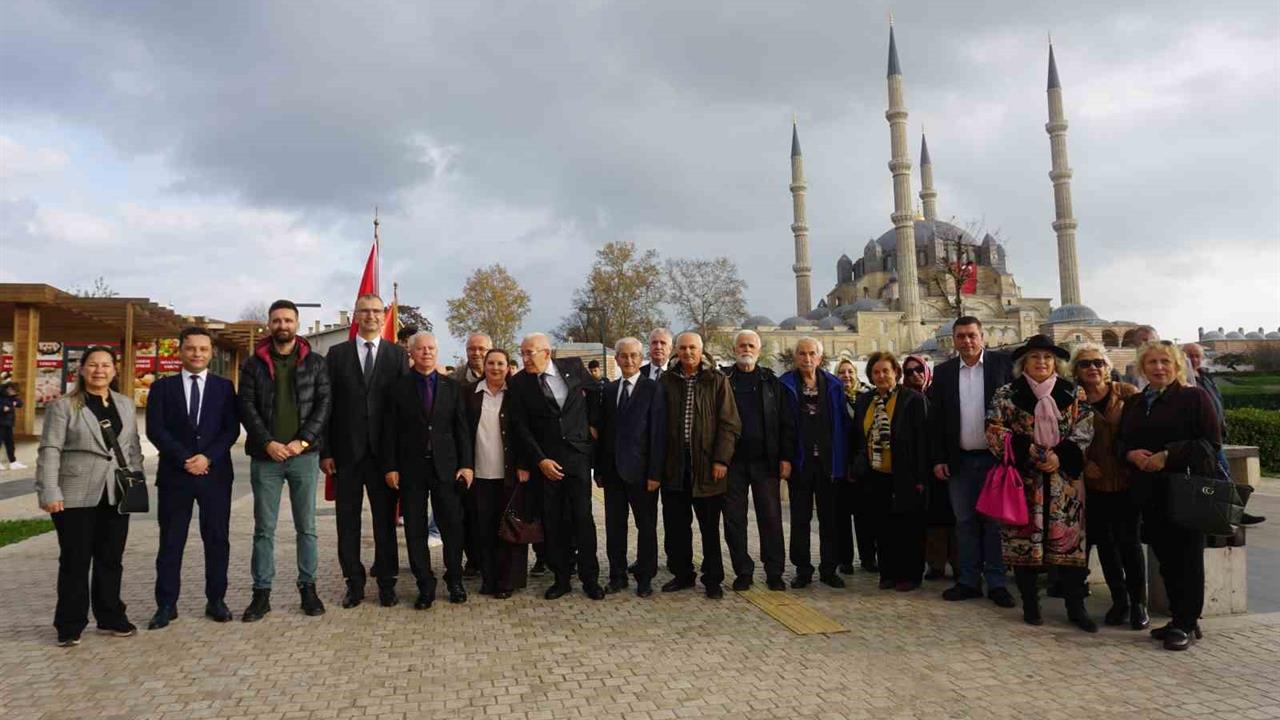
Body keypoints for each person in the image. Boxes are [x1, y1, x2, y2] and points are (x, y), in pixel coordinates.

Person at [986, 335, 1096, 632]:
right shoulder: (1007, 394)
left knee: (1071, 548)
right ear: (1025, 362)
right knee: (1025, 546)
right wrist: (1029, 450)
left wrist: (1060, 457)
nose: (1041, 362)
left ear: (1055, 362)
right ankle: (1031, 605)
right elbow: (994, 431)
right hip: (1025, 481)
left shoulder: (1073, 393)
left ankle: (1076, 607)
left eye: (1047, 358)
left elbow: (1084, 430)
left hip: (1065, 483)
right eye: (1035, 357)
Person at [36, 346, 143, 646]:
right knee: (75, 560)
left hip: (116, 492)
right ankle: (70, 624)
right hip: (73, 493)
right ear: (81, 370)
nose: (99, 370)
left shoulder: (124, 404)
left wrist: (136, 478)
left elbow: (132, 446)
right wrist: (49, 490)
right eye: (93, 365)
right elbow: (50, 450)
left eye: (106, 365)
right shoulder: (64, 406)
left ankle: (110, 616)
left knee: (111, 558)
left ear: (114, 370)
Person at [1119, 341, 1222, 651]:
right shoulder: (1136, 403)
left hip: (1185, 489)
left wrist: (1168, 455)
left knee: (1187, 558)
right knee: (1166, 559)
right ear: (1142, 367)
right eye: (1152, 362)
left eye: (1165, 361)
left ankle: (1186, 623)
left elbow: (1210, 445)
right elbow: (1122, 440)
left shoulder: (1194, 398)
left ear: (1177, 366)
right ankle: (1182, 617)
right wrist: (1131, 454)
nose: (1159, 367)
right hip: (1150, 491)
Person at [238, 299, 332, 622]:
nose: (283, 326)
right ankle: (261, 593)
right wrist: (268, 443)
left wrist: (301, 441)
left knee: (307, 528)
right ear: (269, 324)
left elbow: (323, 405)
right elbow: (246, 407)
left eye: (288, 320)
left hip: (303, 457)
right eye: (277, 320)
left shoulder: (315, 363)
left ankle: (308, 588)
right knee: (264, 529)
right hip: (266, 459)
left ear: (297, 324)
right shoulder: (253, 364)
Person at [145, 327, 241, 630]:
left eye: (203, 349)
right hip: (176, 475)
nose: (197, 354)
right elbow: (155, 430)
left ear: (211, 353)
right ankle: (166, 605)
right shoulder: (162, 388)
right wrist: (185, 458)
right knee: (171, 542)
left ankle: (216, 600)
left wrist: (207, 457)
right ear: (180, 351)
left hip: (214, 476)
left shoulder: (224, 388)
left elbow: (231, 430)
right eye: (191, 348)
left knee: (216, 540)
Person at [320, 294, 408, 609]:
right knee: (348, 522)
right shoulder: (336, 354)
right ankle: (354, 583)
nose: (370, 316)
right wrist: (325, 451)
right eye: (364, 311)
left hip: (384, 457)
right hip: (346, 456)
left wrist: (398, 457)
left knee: (385, 522)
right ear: (355, 316)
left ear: (383, 316)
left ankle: (386, 583)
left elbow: (402, 410)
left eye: (376, 311)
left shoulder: (397, 356)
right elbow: (326, 407)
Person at [507, 333, 605, 600]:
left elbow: (597, 393)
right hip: (546, 462)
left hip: (577, 457)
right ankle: (561, 578)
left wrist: (592, 427)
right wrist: (539, 460)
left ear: (547, 353)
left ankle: (590, 579)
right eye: (523, 353)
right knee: (553, 522)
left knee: (583, 519)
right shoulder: (519, 384)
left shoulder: (573, 367)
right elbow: (521, 428)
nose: (525, 358)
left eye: (530, 353)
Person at [381, 331, 474, 607]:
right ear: (411, 352)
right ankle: (425, 584)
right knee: (415, 530)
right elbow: (389, 432)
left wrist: (466, 465)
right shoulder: (397, 388)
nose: (427, 353)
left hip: (446, 469)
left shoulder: (451, 387)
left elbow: (462, 430)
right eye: (420, 349)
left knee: (452, 526)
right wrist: (390, 467)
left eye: (431, 348)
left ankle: (454, 579)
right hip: (410, 470)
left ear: (437, 350)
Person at [928, 316, 1016, 607]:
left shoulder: (1003, 366)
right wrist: (939, 458)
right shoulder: (943, 373)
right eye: (961, 336)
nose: (967, 341)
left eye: (972, 335)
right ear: (953, 340)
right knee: (964, 522)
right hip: (960, 461)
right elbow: (937, 420)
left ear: (982, 337)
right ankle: (968, 580)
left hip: (995, 460)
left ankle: (997, 582)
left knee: (993, 523)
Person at [655, 332, 741, 599]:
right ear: (676, 351)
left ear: (701, 350)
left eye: (692, 347)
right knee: (676, 528)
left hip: (707, 467)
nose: (687, 352)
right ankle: (683, 574)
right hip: (674, 467)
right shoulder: (666, 381)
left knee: (709, 529)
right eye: (682, 348)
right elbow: (657, 424)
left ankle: (713, 578)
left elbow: (730, 424)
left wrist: (721, 459)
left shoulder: (716, 380)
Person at [1070, 343, 1146, 629]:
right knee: (1106, 545)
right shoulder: (1073, 398)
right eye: (1086, 363)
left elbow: (1144, 430)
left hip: (1126, 481)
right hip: (1093, 484)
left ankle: (1139, 603)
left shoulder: (1126, 394)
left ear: (1107, 366)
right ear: (1076, 369)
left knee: (1130, 544)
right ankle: (1120, 600)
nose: (1093, 368)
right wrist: (1083, 461)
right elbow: (1064, 436)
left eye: (1098, 363)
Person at [850, 352, 930, 591]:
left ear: (896, 372)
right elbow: (858, 437)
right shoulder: (865, 401)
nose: (881, 376)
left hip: (905, 473)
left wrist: (921, 477)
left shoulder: (912, 400)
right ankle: (888, 573)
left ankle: (910, 575)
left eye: (886, 371)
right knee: (882, 526)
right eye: (876, 372)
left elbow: (923, 440)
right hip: (875, 473)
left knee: (908, 526)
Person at [720, 331, 792, 592]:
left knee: (771, 518)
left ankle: (774, 571)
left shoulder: (771, 383)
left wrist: (785, 457)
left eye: (751, 345)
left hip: (765, 462)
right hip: (733, 463)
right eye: (742, 345)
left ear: (759, 350)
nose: (746, 349)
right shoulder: (723, 380)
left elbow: (784, 424)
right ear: (734, 349)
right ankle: (743, 571)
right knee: (734, 519)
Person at [592, 337, 664, 597]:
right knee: (614, 527)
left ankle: (645, 577)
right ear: (617, 359)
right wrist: (598, 470)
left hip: (643, 473)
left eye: (634, 355)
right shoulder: (609, 390)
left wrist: (656, 473)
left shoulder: (652, 389)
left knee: (646, 527)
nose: (630, 360)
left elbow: (657, 433)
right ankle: (617, 575)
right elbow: (603, 433)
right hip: (612, 473)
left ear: (641, 357)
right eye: (624, 356)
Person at [780, 337, 849, 589]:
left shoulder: (832, 385)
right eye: (802, 354)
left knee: (829, 518)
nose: (807, 359)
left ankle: (829, 568)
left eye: (811, 354)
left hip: (828, 462)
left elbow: (842, 424)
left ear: (820, 358)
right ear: (795, 357)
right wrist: (784, 458)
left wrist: (842, 461)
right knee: (799, 518)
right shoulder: (785, 384)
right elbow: (782, 426)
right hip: (800, 462)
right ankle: (803, 569)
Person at [464, 348, 530, 599]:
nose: (495, 368)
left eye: (500, 363)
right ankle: (489, 578)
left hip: (510, 475)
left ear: (508, 367)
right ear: (484, 366)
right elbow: (462, 432)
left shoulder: (516, 395)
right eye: (491, 363)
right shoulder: (469, 394)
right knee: (484, 530)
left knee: (510, 530)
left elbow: (525, 432)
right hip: (479, 475)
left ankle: (507, 581)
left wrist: (524, 464)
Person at [834, 358, 871, 575]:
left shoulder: (866, 398)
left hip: (862, 465)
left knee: (865, 515)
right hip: (840, 464)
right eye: (841, 372)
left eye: (849, 372)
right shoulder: (833, 399)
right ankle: (844, 559)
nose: (846, 376)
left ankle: (868, 557)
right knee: (842, 516)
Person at [1183, 342, 1230, 480]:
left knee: (1221, 476)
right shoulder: (1182, 379)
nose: (1194, 360)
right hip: (1200, 439)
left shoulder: (1206, 377)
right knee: (1219, 477)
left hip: (1215, 437)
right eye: (1189, 356)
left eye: (1197, 356)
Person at [0, 381, 24, 470]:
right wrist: (8, 406)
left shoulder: (12, 396)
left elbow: (20, 404)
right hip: (1, 423)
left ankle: (13, 462)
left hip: (8, 423)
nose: (15, 393)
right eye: (14, 391)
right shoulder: (1, 396)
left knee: (10, 443)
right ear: (9, 389)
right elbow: (5, 408)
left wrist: (13, 404)